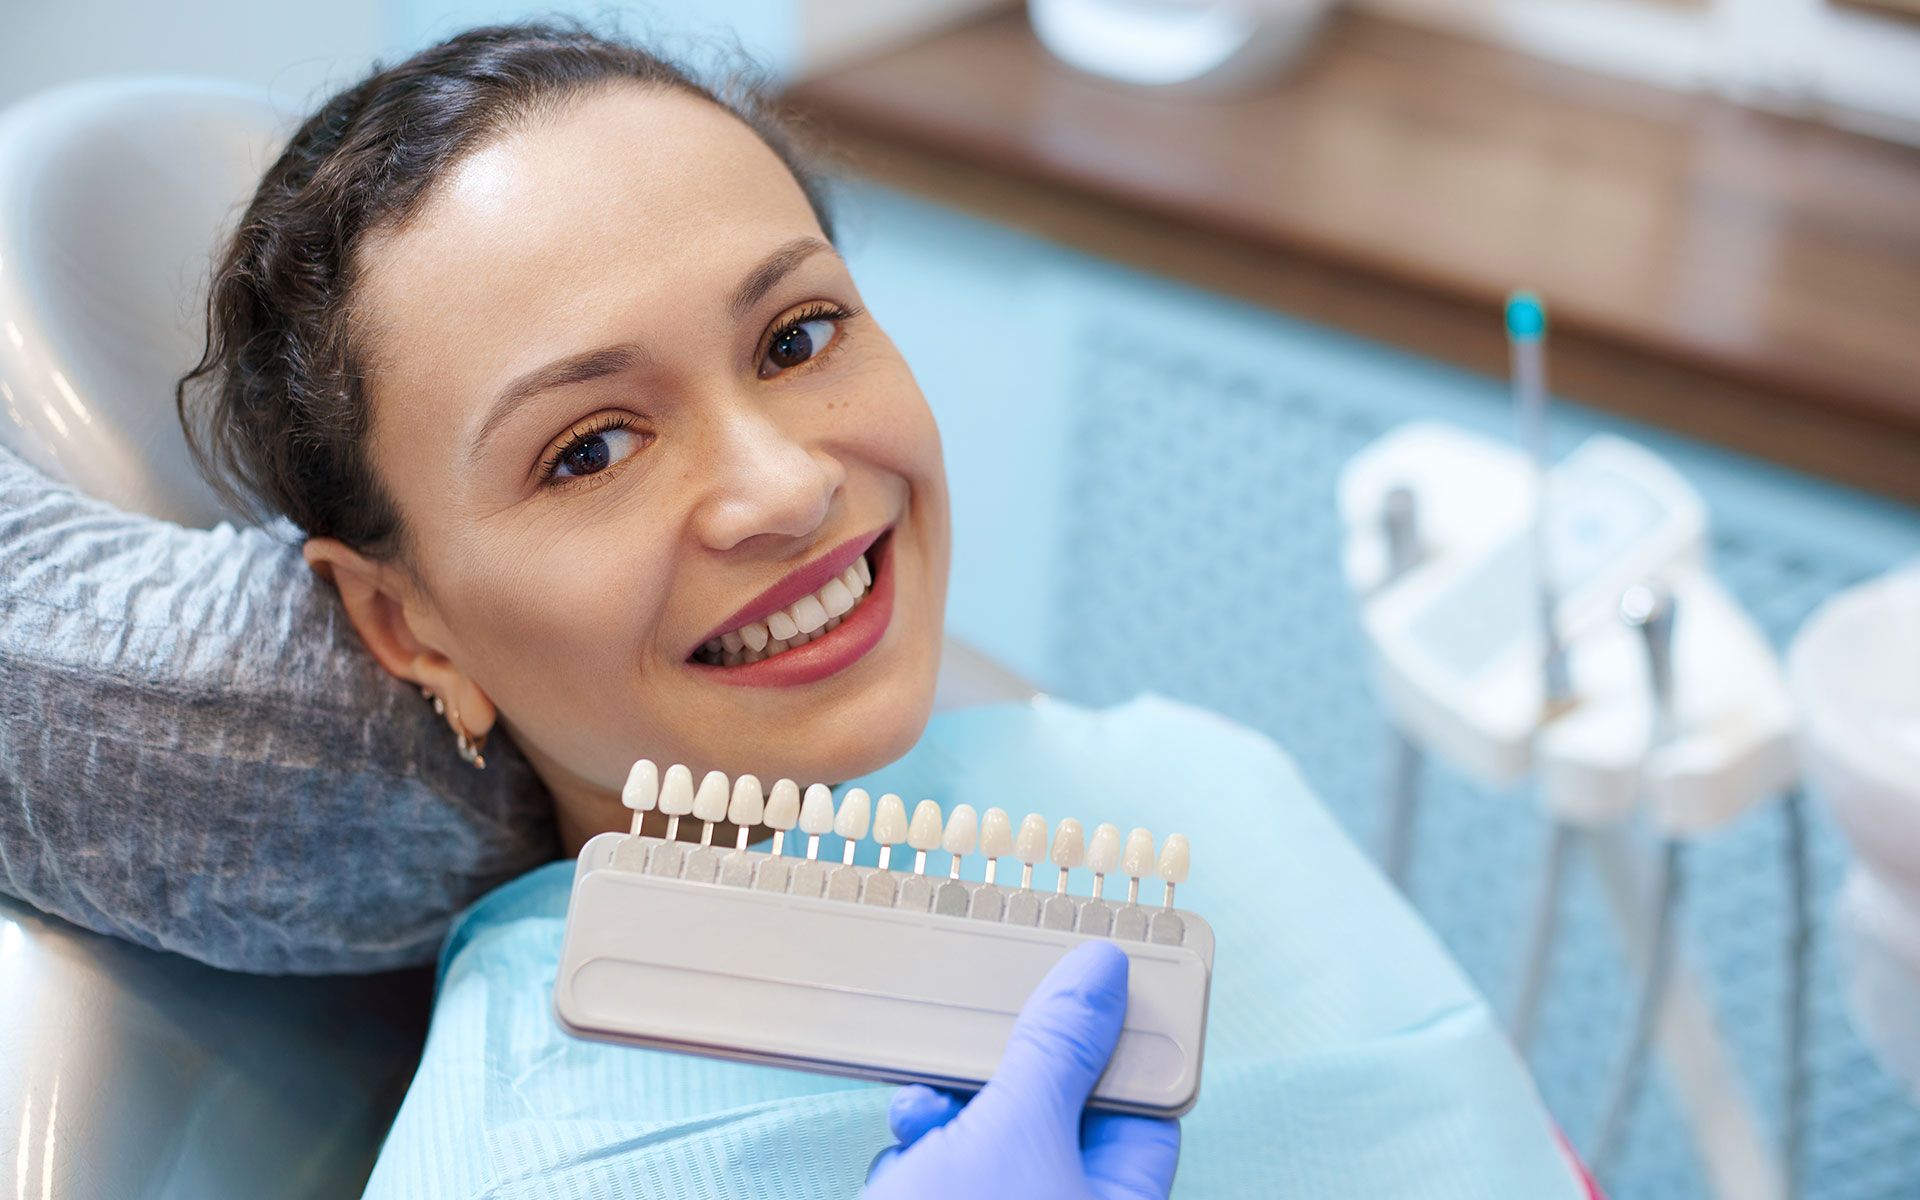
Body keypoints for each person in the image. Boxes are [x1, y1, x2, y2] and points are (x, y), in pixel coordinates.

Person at [21, 20, 1589, 1197]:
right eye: (591, 449)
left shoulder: (1169, 768)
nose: (781, 486)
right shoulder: (525, 1163)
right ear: (404, 625)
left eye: (795, 337)